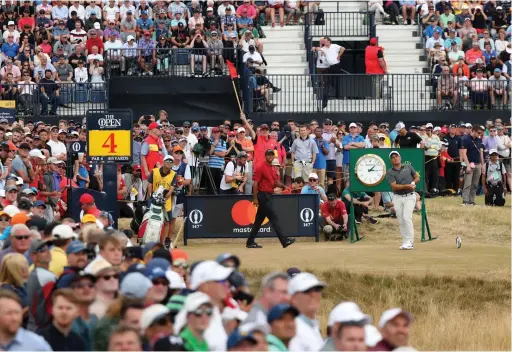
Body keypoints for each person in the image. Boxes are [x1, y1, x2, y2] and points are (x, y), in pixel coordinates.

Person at [246, 149, 296, 249]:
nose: (270, 156)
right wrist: (255, 198)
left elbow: (275, 182)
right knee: (274, 217)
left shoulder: (272, 168)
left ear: (273, 156)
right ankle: (284, 240)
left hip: (268, 195)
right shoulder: (261, 167)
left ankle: (250, 242)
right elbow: (255, 183)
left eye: (272, 155)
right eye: (268, 155)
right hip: (263, 195)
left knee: (258, 221)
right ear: (265, 156)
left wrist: (284, 186)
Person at [386, 151, 420, 250]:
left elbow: (417, 177)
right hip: (397, 197)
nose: (395, 158)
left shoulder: (408, 167)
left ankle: (410, 241)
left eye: (396, 156)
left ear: (400, 157)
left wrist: (413, 183)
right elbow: (394, 186)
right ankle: (405, 241)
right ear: (391, 160)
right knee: (401, 220)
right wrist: (407, 185)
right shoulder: (390, 172)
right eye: (393, 157)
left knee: (406, 217)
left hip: (410, 196)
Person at [460, 125, 484, 206]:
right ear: (473, 131)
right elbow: (463, 153)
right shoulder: (466, 139)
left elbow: (481, 152)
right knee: (467, 183)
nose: (480, 134)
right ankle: (465, 200)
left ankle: (471, 200)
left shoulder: (479, 140)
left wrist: (482, 164)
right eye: (478, 132)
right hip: (470, 163)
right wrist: (467, 166)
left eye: (481, 133)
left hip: (478, 164)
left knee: (475, 184)